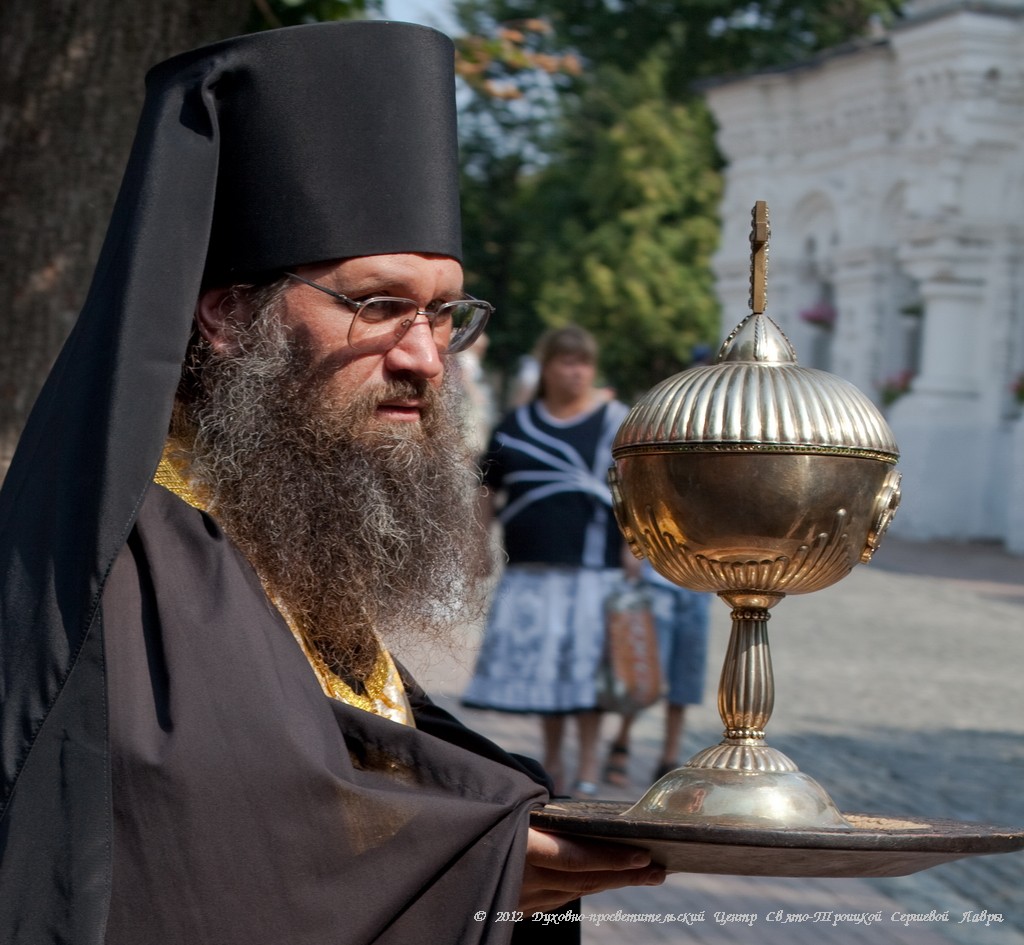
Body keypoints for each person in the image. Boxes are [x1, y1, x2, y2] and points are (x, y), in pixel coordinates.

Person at [0, 22, 664, 945]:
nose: (427, 358)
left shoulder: (277, 503)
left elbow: (344, 752)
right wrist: (480, 857)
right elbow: (189, 842)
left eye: (445, 313)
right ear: (231, 316)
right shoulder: (126, 553)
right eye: (381, 305)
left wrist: (506, 823)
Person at [463, 325, 637, 796]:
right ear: (547, 367)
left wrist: (633, 545)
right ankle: (554, 760)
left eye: (584, 363)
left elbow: (634, 489)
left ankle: (587, 764)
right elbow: (487, 486)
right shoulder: (516, 427)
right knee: (550, 673)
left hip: (593, 570)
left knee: (589, 674)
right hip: (532, 568)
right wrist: (479, 544)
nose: (577, 372)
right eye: (566, 362)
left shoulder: (614, 424)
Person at [603, 561, 711, 787]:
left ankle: (669, 759)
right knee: (644, 670)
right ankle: (622, 741)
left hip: (702, 584)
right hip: (657, 579)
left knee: (686, 676)